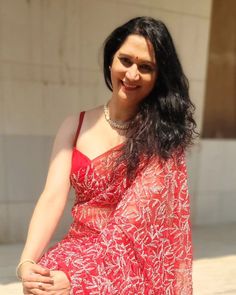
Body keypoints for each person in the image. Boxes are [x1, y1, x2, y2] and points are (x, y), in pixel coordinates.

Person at [17, 16, 196, 294]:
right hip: (77, 247)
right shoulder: (74, 125)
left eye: (146, 67)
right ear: (111, 60)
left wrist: (79, 275)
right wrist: (27, 261)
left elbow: (130, 225)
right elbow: (52, 197)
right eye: (126, 61)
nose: (132, 74)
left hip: (130, 260)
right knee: (41, 284)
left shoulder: (162, 141)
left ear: (159, 76)